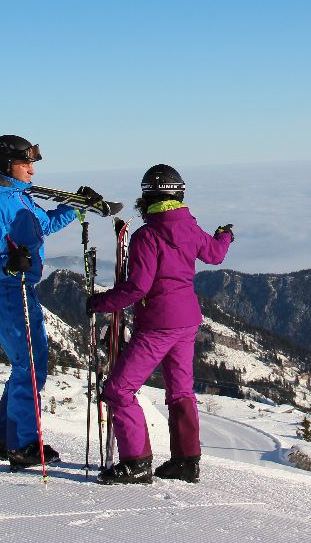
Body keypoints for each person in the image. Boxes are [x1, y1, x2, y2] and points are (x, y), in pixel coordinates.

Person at [87, 164, 233, 485]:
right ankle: (186, 461)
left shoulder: (147, 236)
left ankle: (137, 462)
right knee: (180, 391)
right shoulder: (191, 229)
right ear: (178, 194)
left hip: (157, 325)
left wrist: (100, 303)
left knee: (118, 391)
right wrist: (224, 235)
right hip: (187, 322)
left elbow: (138, 287)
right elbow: (215, 255)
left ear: (147, 197)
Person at [0, 134, 91, 470]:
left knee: (26, 366)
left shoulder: (19, 197)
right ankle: (22, 445)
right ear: (7, 164)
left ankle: (5, 440)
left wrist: (75, 205)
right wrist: (8, 266)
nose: (33, 170)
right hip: (6, 293)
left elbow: (44, 225)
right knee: (31, 367)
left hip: (21, 289)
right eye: (26, 163)